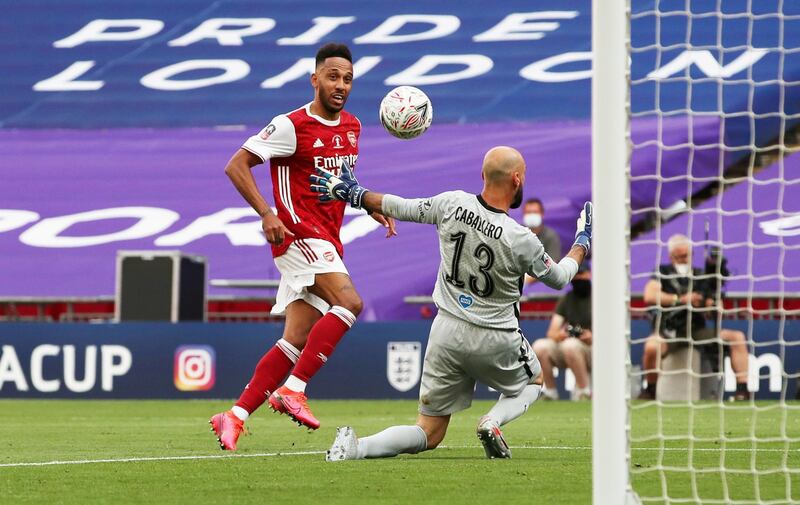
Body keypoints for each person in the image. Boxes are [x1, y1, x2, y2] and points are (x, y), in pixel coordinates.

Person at [311, 146, 592, 461]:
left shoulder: (452, 203)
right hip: (497, 335)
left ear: (483, 175)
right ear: (516, 179)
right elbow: (559, 277)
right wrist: (582, 241)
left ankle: (354, 448)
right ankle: (491, 422)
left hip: (446, 332)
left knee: (428, 432)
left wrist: (354, 193)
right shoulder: (521, 237)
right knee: (533, 381)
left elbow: (399, 206)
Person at [210, 43, 396, 450]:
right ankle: (294, 389)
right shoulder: (290, 125)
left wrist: (368, 207)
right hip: (297, 234)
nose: (340, 85)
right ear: (315, 79)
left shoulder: (352, 127)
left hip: (328, 237)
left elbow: (342, 183)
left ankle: (235, 415)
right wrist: (266, 213)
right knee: (350, 303)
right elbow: (236, 164)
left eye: (347, 78)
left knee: (294, 340)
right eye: (332, 76)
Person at [637, 234, 750, 401]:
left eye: (687, 255)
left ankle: (743, 390)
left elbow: (715, 305)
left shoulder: (700, 275)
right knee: (651, 347)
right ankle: (651, 389)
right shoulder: (662, 272)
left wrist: (710, 303)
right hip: (669, 331)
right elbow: (649, 295)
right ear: (671, 256)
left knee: (737, 337)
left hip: (697, 329)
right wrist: (681, 299)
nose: (684, 259)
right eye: (680, 256)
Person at [533, 262, 593, 400]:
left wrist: (592, 336)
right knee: (540, 346)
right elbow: (552, 332)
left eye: (581, 274)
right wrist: (561, 335)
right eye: (575, 276)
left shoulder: (599, 297)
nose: (578, 279)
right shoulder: (567, 298)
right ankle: (550, 392)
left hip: (595, 348)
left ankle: (585, 392)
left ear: (588, 274)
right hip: (571, 346)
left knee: (570, 345)